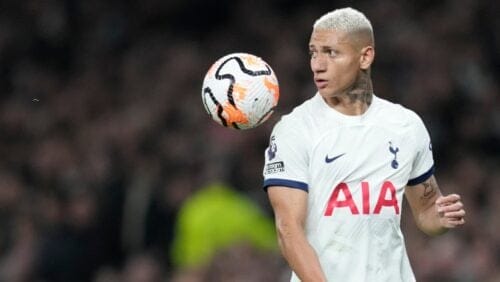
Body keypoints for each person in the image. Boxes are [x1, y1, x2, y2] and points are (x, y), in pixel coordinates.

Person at [262, 7, 466, 282]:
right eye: (313, 52)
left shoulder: (406, 125)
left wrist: (440, 217)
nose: (317, 64)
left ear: (365, 56)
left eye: (331, 52)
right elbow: (288, 230)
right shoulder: (295, 130)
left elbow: (426, 208)